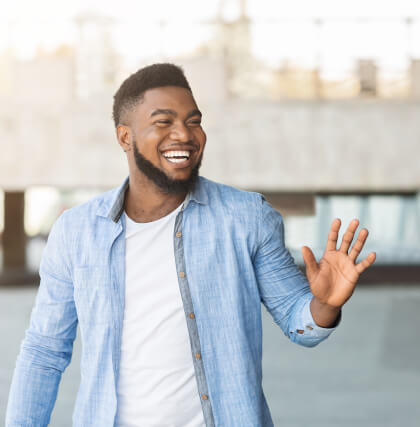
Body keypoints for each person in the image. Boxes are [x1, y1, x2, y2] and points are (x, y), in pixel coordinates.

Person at [5, 63, 376, 427]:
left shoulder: (247, 217)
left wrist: (324, 305)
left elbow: (301, 325)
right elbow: (44, 352)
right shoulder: (77, 231)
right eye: (163, 122)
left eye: (193, 121)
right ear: (125, 137)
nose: (184, 134)